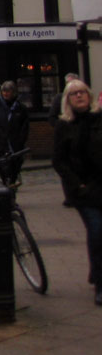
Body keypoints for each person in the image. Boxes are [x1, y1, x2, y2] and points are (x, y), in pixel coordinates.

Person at [51, 79, 102, 305]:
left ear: (89, 96)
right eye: (74, 94)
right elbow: (59, 160)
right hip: (83, 190)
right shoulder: (64, 126)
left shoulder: (99, 120)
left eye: (82, 92)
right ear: (68, 100)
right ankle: (101, 284)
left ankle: (96, 271)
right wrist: (77, 184)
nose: (79, 96)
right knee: (97, 231)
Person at [0, 81, 29, 185]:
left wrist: (21, 140)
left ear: (13, 92)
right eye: (4, 91)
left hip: (16, 144)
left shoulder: (20, 108)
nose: (5, 94)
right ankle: (7, 188)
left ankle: (12, 189)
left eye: (8, 91)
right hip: (1, 143)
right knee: (3, 168)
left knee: (15, 167)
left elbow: (25, 126)